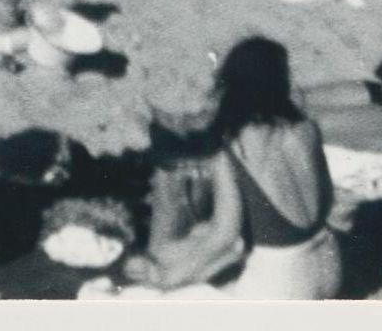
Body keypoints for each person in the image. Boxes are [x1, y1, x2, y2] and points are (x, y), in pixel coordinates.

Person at [120, 38, 341, 297]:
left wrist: (169, 278)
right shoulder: (306, 128)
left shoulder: (235, 142)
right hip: (330, 266)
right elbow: (327, 201)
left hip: (284, 283)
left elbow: (223, 235)